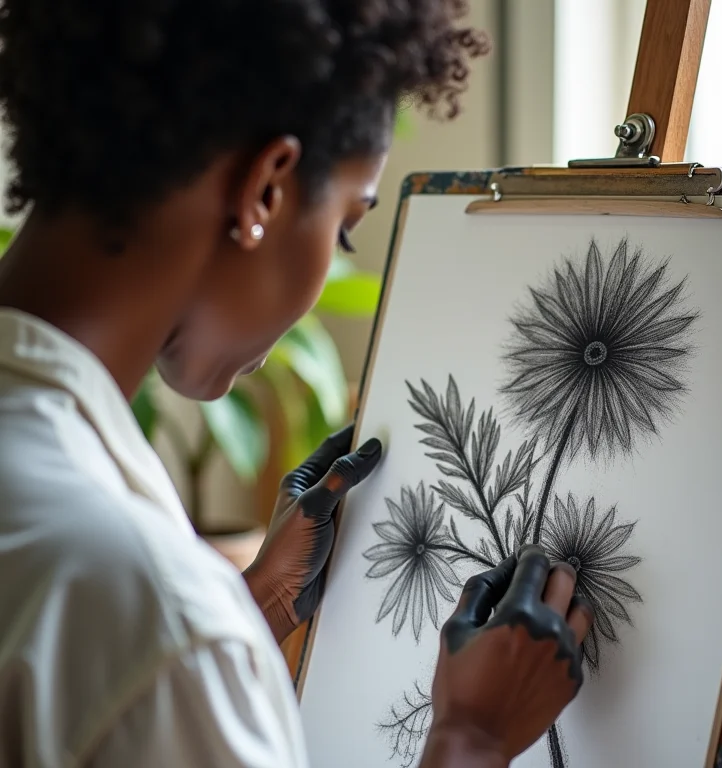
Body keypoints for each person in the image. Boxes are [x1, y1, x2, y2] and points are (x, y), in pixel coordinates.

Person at [0, 1, 595, 766]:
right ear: (267, 189)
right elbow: (139, 655)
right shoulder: (150, 613)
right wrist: (469, 739)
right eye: (344, 226)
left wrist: (260, 602)